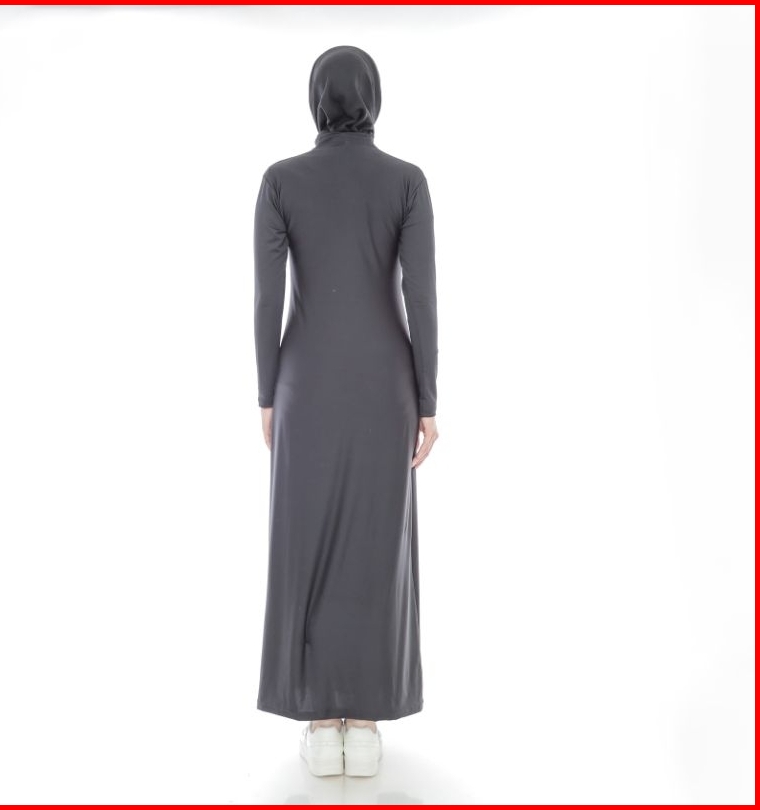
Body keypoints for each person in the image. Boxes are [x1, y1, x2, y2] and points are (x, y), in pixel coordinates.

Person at [253, 44, 439, 777]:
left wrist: (267, 392)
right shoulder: (407, 182)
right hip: (386, 385)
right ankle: (363, 726)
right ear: (374, 97)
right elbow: (421, 299)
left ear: (314, 99)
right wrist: (427, 399)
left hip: (304, 383)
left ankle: (316, 718)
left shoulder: (280, 182)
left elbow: (267, 299)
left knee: (306, 540)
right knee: (375, 544)